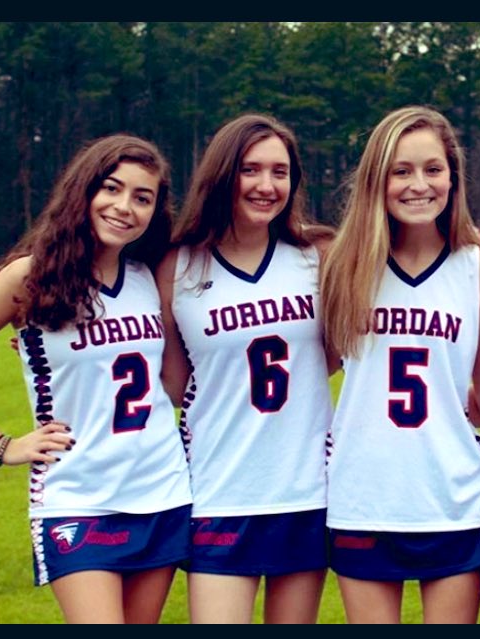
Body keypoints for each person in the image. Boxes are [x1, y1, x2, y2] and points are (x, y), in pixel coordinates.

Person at [0, 134, 193, 624]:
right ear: (84, 191)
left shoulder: (151, 277)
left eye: (142, 197)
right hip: (76, 495)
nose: (124, 207)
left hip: (161, 489)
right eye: (112, 188)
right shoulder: (30, 277)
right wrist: (1, 445)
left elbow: (174, 381)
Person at [319, 105, 480, 623]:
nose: (419, 184)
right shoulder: (345, 265)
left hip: (453, 496)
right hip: (364, 496)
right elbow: (308, 369)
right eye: (401, 170)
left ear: (453, 177)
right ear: (378, 179)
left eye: (432, 169)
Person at [155, 113, 336, 624]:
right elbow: (173, 379)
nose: (266, 185)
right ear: (223, 175)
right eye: (251, 170)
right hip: (219, 489)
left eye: (280, 172)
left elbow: (341, 347)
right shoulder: (178, 264)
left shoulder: (318, 254)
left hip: (305, 489)